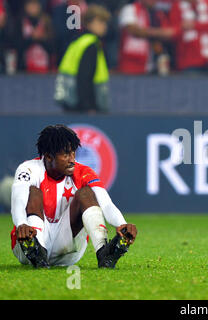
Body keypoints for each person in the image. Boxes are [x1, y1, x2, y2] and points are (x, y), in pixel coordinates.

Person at [10, 125, 137, 269]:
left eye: (73, 153)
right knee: (34, 192)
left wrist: (122, 224)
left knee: (86, 193)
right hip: (28, 243)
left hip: (67, 249)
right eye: (66, 154)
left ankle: (104, 253)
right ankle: (36, 250)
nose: (72, 160)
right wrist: (21, 224)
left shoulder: (83, 172)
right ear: (49, 156)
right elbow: (18, 199)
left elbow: (106, 203)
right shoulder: (28, 169)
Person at [54, 4, 110, 113]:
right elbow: (84, 78)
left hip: (71, 101)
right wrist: (88, 107)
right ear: (91, 23)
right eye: (101, 22)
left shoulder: (78, 41)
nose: (105, 26)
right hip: (83, 108)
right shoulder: (90, 44)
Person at [118, 0, 174, 74]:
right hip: (129, 64)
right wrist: (160, 33)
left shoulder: (155, 13)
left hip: (147, 66)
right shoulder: (130, 9)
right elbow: (132, 30)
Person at [168, 0, 208, 73]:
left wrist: (193, 25)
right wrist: (206, 26)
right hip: (189, 61)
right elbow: (175, 31)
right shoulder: (177, 6)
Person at [12, 0, 54, 73]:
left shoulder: (46, 22)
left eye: (35, 4)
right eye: (30, 4)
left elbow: (53, 48)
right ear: (26, 6)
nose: (33, 7)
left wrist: (41, 39)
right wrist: (32, 38)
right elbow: (17, 46)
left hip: (45, 70)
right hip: (24, 70)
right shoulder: (20, 22)